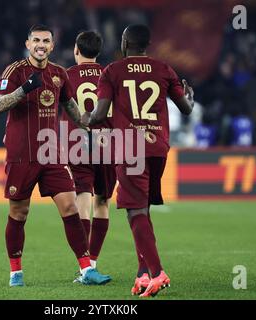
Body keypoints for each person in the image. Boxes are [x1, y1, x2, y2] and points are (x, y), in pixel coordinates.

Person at [0, 24, 111, 287]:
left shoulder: (59, 73)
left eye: (46, 41)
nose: (41, 45)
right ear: (27, 44)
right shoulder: (15, 71)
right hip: (22, 154)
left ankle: (86, 270)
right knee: (19, 212)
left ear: (52, 45)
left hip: (51, 154)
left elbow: (72, 108)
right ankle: (16, 273)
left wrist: (92, 127)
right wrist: (24, 89)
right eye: (36, 40)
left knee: (70, 206)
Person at [83, 24, 194, 297]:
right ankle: (142, 273)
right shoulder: (164, 69)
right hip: (158, 148)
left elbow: (100, 114)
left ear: (124, 42)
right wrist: (189, 98)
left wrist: (83, 119)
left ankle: (157, 272)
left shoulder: (112, 71)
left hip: (130, 148)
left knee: (135, 211)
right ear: (147, 44)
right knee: (142, 209)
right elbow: (186, 108)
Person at [61, 31, 116, 281]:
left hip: (78, 143)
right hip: (109, 143)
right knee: (102, 202)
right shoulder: (110, 75)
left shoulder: (67, 75)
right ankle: (92, 261)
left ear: (76, 50)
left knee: (82, 199)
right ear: (99, 51)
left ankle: (85, 266)